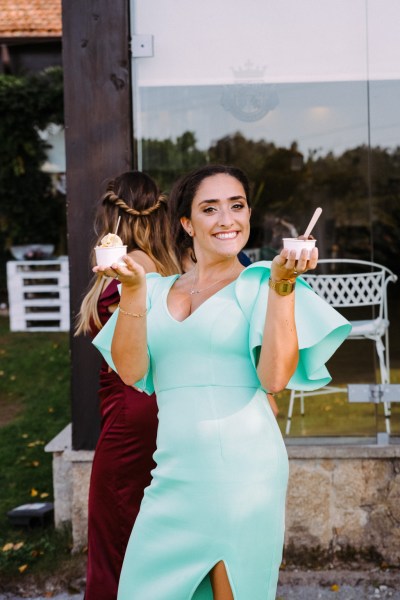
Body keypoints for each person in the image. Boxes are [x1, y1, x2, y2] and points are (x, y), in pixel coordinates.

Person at [93, 164, 351, 600]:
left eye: (237, 205)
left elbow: (274, 377)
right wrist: (134, 292)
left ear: (248, 214)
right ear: (187, 224)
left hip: (243, 479)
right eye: (210, 209)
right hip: (171, 479)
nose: (227, 219)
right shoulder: (153, 290)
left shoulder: (265, 283)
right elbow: (131, 371)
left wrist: (283, 288)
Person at [75, 170, 180, 600]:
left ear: (110, 220)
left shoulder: (130, 268)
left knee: (115, 535)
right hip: (159, 409)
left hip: (129, 413)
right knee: (150, 535)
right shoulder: (172, 267)